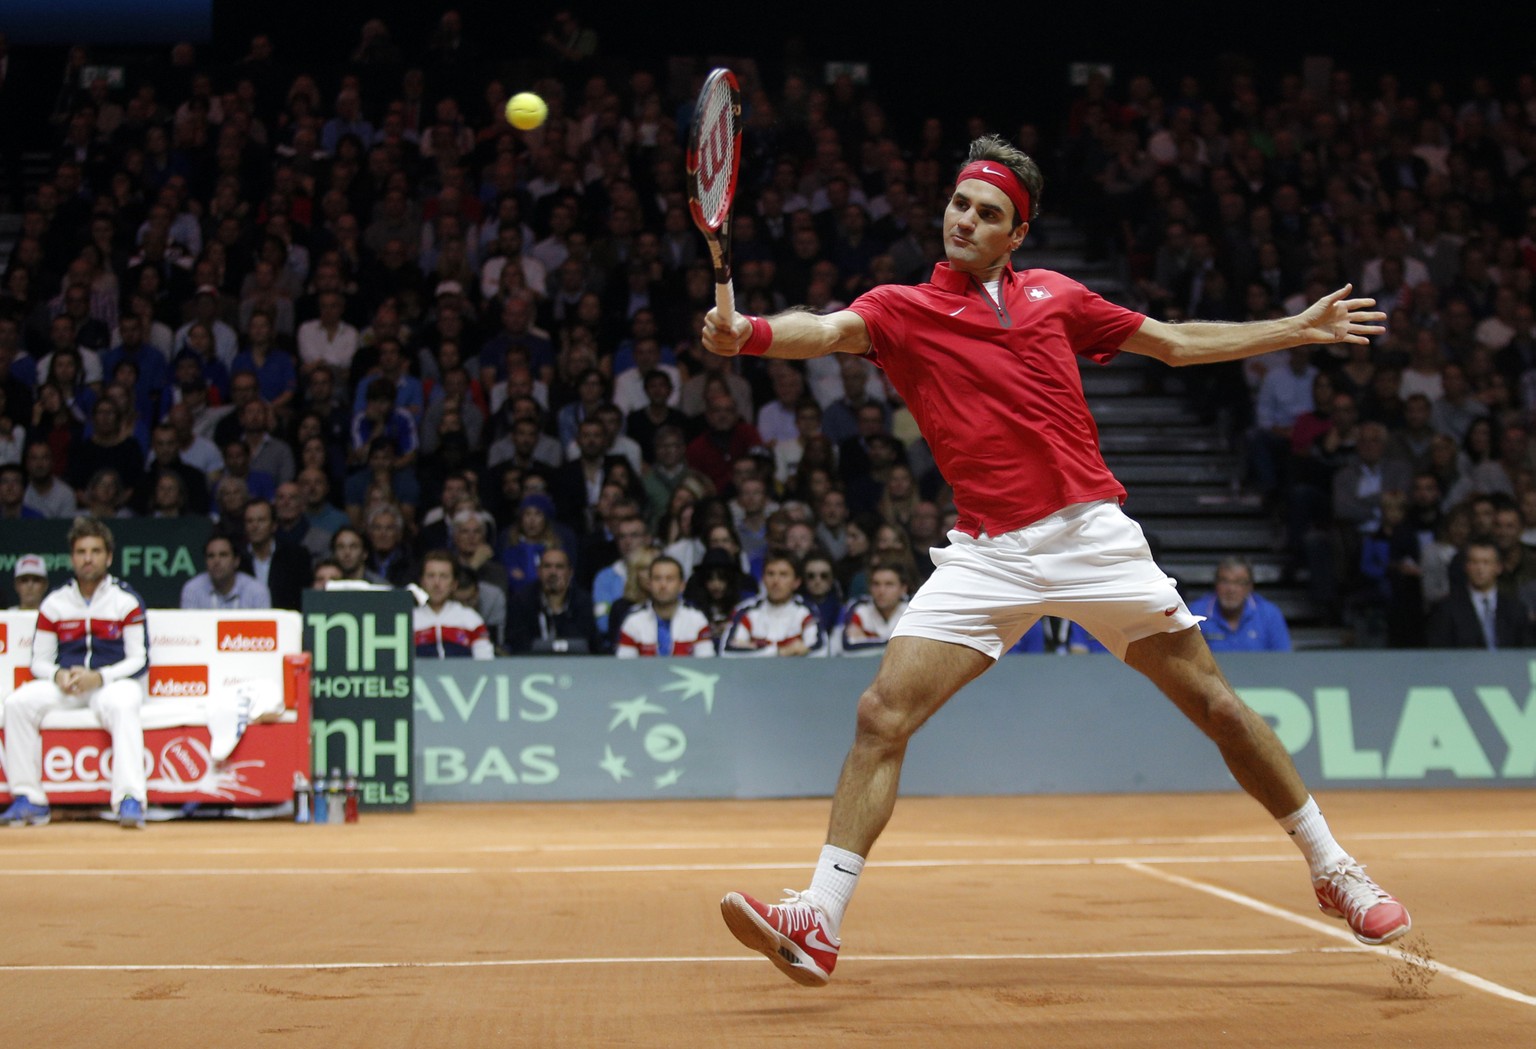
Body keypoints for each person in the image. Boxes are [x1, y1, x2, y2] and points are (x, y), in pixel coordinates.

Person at [705, 135, 1409, 987]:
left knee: (1218, 707)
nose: (966, 219)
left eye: (988, 213)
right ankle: (819, 916)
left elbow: (1176, 344)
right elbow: (824, 330)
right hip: (989, 553)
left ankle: (1333, 866)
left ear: (1016, 235)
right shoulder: (902, 308)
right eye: (961, 203)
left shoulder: (1056, 297)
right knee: (881, 714)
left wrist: (1295, 328)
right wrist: (748, 333)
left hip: (1093, 539)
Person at [1, 517, 150, 828]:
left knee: (125, 703)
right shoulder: (54, 603)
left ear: (108, 557)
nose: (88, 558)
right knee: (16, 704)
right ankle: (29, 800)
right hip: (68, 686)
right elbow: (39, 661)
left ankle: (129, 799)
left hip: (110, 685)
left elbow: (139, 659)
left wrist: (100, 677)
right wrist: (58, 676)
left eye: (95, 551)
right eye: (81, 551)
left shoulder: (126, 600)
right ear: (72, 557)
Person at [1425, 536, 1533, 649]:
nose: (1480, 569)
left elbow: (1527, 652)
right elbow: (1439, 654)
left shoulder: (1516, 609)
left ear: (1498, 567)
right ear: (1466, 566)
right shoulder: (1446, 609)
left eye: (1486, 563)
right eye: (1474, 562)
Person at [720, 553, 823, 657]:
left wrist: (754, 648)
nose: (776, 581)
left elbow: (820, 652)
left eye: (783, 575)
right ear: (763, 579)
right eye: (770, 574)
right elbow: (727, 653)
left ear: (796, 582)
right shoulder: (745, 611)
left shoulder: (807, 612)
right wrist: (779, 652)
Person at [505, 546, 600, 654]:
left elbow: (586, 643)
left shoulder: (583, 602)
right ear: (538, 572)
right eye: (547, 566)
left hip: (573, 665)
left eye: (559, 567)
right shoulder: (522, 601)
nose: (553, 572)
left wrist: (558, 613)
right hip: (532, 666)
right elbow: (518, 644)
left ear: (570, 573)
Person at [615, 556, 714, 658]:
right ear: (649, 584)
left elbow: (706, 664)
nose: (663, 585)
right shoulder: (633, 621)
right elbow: (624, 666)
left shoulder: (697, 619)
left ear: (682, 585)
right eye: (657, 579)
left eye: (669, 579)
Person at [1188, 556, 1293, 652]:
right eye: (1225, 581)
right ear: (1216, 584)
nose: (1231, 589)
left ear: (1250, 587)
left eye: (1239, 582)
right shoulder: (1195, 614)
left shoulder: (1270, 615)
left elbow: (1283, 660)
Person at [413, 550, 494, 659]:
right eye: (431, 576)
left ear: (454, 584)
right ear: (422, 582)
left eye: (444, 576)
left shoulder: (470, 618)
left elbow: (486, 663)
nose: (437, 583)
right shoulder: (410, 619)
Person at [834, 560, 910, 656]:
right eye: (876, 584)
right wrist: (894, 644)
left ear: (903, 589)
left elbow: (917, 649)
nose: (881, 591)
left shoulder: (914, 611)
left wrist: (867, 639)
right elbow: (846, 649)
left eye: (889, 584)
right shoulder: (859, 609)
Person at [181, 532, 272, 609]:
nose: (216, 561)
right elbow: (188, 629)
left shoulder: (256, 591)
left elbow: (264, 629)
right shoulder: (193, 590)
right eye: (211, 556)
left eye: (223, 555)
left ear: (236, 561)